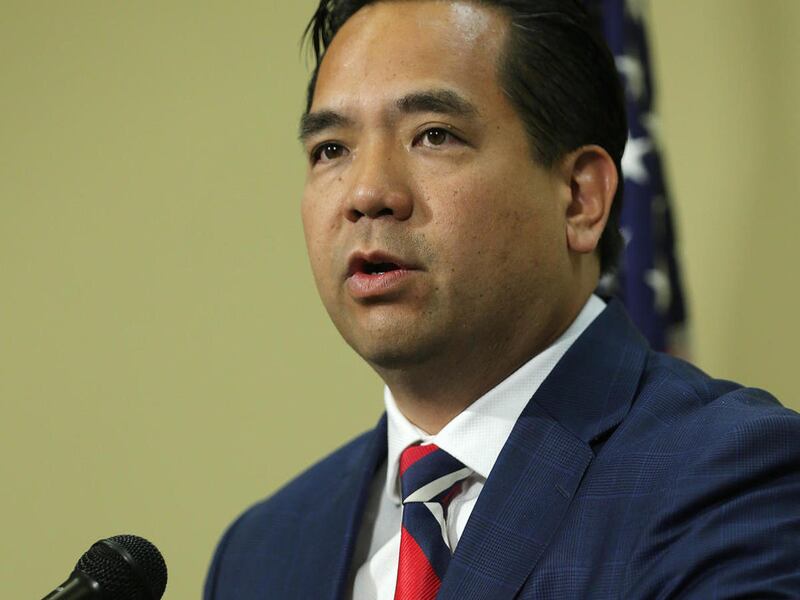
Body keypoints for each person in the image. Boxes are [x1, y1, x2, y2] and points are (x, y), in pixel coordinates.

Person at [204, 1, 800, 598]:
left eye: (433, 135)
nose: (366, 193)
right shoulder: (261, 552)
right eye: (331, 149)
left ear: (579, 198)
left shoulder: (734, 479)